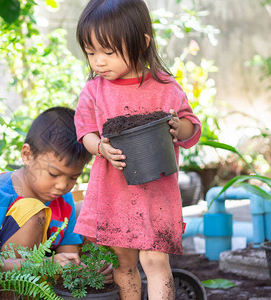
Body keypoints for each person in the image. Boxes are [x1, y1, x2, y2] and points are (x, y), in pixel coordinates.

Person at [73, 0, 202, 299]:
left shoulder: (165, 86)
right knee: (124, 261)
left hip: (156, 191)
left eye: (108, 52)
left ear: (141, 43)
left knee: (155, 259)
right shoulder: (94, 91)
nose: (98, 62)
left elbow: (190, 126)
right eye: (91, 53)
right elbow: (85, 133)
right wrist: (101, 148)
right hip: (114, 191)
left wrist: (175, 126)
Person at [0, 107, 112, 276]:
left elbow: (69, 255)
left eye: (73, 178)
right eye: (53, 174)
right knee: (34, 213)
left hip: (43, 280)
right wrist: (44, 264)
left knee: (92, 209)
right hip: (0, 284)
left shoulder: (64, 198)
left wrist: (87, 271)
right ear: (27, 155)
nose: (62, 185)